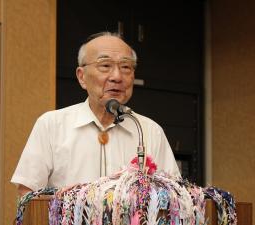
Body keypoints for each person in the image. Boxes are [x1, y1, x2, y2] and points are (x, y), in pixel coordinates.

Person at [11, 32, 180, 196]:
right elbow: (28, 193)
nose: (117, 76)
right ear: (82, 77)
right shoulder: (51, 125)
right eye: (105, 66)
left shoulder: (150, 131)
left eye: (126, 67)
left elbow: (176, 196)